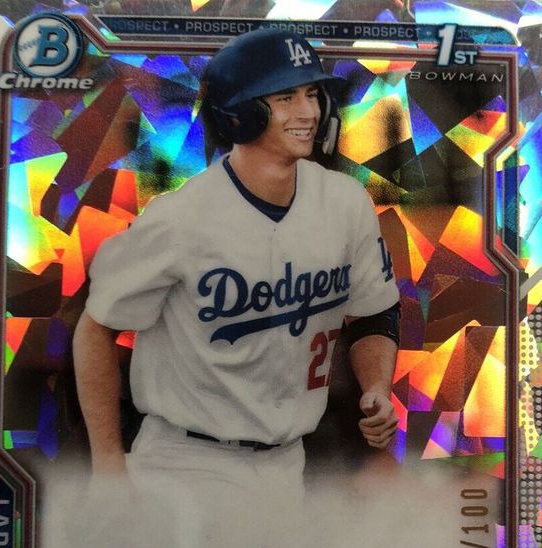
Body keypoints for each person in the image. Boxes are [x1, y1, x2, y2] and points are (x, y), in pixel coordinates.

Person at [73, 28, 400, 510]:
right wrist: (107, 466)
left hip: (287, 463)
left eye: (313, 94)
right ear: (241, 114)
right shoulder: (181, 218)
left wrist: (376, 388)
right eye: (286, 98)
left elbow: (373, 312)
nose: (308, 112)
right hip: (185, 463)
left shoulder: (345, 203)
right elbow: (95, 328)